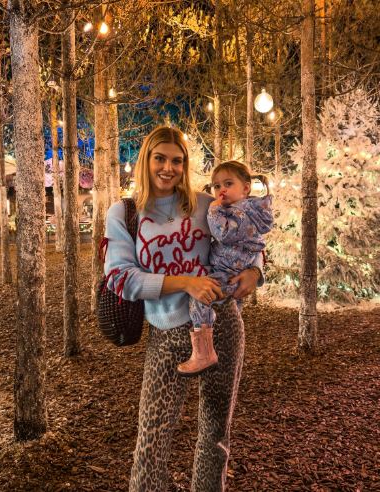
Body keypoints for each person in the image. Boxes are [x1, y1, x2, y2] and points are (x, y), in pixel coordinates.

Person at [104, 126, 264, 492]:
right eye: (159, 158)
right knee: (151, 440)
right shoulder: (126, 213)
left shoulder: (205, 204)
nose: (168, 167)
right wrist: (185, 282)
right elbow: (120, 278)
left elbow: (249, 241)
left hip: (221, 324)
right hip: (168, 334)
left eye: (177, 160)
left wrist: (256, 271)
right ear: (146, 159)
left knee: (215, 436)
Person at [177, 161, 273, 377]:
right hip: (223, 272)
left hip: (226, 276)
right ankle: (205, 348)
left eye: (228, 183)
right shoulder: (238, 208)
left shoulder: (237, 211)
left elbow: (226, 234)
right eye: (216, 185)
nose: (221, 190)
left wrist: (255, 271)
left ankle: (203, 353)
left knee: (200, 298)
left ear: (246, 188)